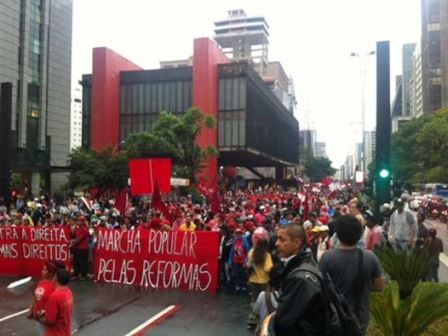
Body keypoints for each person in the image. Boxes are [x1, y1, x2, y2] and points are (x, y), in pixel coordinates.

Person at [319, 215, 384, 334]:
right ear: (360, 235)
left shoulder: (327, 258)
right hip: (360, 317)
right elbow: (379, 286)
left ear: (337, 235)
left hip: (335, 318)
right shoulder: (370, 257)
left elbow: (321, 288)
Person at [272, 224, 326, 335]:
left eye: (282, 240)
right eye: (277, 239)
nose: (276, 244)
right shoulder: (296, 264)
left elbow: (285, 321)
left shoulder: (300, 278)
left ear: (297, 243)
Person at [27, 260, 65, 334]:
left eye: (45, 270)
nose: (42, 271)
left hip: (48, 320)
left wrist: (46, 313)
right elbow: (36, 298)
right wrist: (31, 309)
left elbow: (57, 305)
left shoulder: (55, 286)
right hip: (38, 318)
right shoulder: (41, 282)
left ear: (51, 273)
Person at [41, 268, 73, 336]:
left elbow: (50, 321)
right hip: (66, 332)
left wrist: (40, 317)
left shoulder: (54, 296)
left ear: (56, 278)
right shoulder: (68, 292)